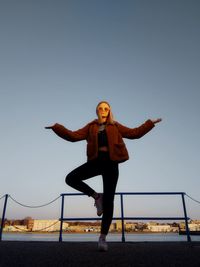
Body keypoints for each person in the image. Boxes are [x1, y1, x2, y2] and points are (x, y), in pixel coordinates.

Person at [45, 101, 162, 251]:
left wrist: (150, 123)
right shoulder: (91, 126)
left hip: (111, 163)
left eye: (106, 108)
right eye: (100, 108)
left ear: (109, 111)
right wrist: (57, 127)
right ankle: (96, 197)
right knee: (71, 178)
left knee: (110, 201)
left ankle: (102, 238)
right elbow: (73, 136)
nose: (103, 110)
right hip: (96, 162)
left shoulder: (116, 126)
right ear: (97, 111)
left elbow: (135, 133)